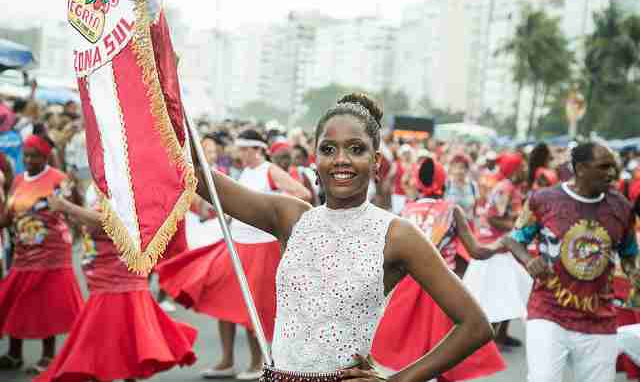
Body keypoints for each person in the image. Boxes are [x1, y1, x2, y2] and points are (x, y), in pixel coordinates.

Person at [194, 94, 493, 381]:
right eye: (328, 149)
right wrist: (160, 77)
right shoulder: (290, 217)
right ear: (315, 160)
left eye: (356, 149)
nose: (341, 160)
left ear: (376, 161)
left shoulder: (397, 235)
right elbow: (196, 172)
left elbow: (475, 326)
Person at [158, 129, 310, 380]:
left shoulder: (270, 170)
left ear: (256, 149)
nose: (240, 154)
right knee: (221, 299)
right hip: (237, 243)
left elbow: (301, 194)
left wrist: (273, 211)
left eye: (244, 149)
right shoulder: (246, 172)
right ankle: (226, 360)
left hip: (262, 246)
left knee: (253, 309)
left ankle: (257, 362)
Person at [502, 142, 639, 382]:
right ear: (581, 168)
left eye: (613, 167)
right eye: (604, 167)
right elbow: (514, 239)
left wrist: (633, 272)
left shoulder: (622, 208)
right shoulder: (543, 200)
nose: (611, 173)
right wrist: (528, 261)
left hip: (600, 320)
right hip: (548, 313)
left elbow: (628, 253)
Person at [34, 187, 198, 382]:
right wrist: (67, 213)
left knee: (112, 345)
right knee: (111, 344)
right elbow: (92, 224)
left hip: (120, 282)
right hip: (102, 280)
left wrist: (67, 207)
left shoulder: (129, 186)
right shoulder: (98, 188)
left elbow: (112, 222)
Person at [370, 156, 505, 381]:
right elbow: (476, 251)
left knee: (410, 358)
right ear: (444, 182)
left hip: (405, 291)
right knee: (443, 359)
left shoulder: (407, 210)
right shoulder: (452, 210)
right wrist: (503, 243)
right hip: (442, 291)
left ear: (418, 182)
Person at [0, 133, 84, 373]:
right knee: (16, 301)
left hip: (52, 252)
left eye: (34, 156)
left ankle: (48, 356)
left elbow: (75, 208)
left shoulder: (58, 179)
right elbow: (7, 217)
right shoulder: (17, 180)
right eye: (25, 155)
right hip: (23, 253)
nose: (28, 160)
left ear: (45, 157)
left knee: (46, 304)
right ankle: (14, 354)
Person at [463, 151, 532, 348]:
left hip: (504, 246)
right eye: (521, 166)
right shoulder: (505, 188)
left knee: (511, 291)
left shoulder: (513, 187)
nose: (525, 169)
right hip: (494, 246)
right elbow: (493, 218)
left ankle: (501, 335)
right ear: (514, 169)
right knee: (495, 294)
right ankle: (490, 339)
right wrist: (517, 227)